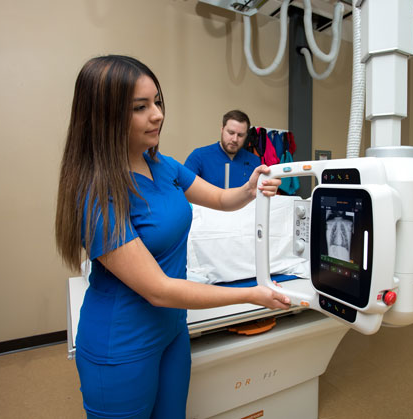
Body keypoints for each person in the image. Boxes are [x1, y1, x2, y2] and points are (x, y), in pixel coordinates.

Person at [55, 55, 290, 419]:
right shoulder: (98, 193)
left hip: (172, 331)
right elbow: (158, 289)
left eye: (158, 102)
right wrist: (250, 295)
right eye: (140, 107)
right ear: (104, 116)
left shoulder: (162, 165)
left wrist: (250, 188)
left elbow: (221, 199)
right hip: (122, 345)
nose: (157, 115)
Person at [184, 110, 261, 188]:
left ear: (246, 136)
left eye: (240, 135)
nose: (235, 139)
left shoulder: (254, 161)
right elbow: (183, 189)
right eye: (231, 133)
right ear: (222, 129)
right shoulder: (199, 157)